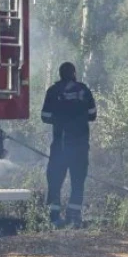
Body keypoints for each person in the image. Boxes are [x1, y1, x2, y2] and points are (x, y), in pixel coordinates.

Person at [41, 62, 97, 227]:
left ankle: (54, 218)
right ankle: (74, 218)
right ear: (74, 73)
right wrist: (78, 119)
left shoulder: (53, 91)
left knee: (55, 181)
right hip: (80, 146)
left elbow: (45, 116)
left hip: (60, 146)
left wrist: (59, 120)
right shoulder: (84, 91)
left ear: (60, 74)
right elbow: (92, 115)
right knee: (78, 182)